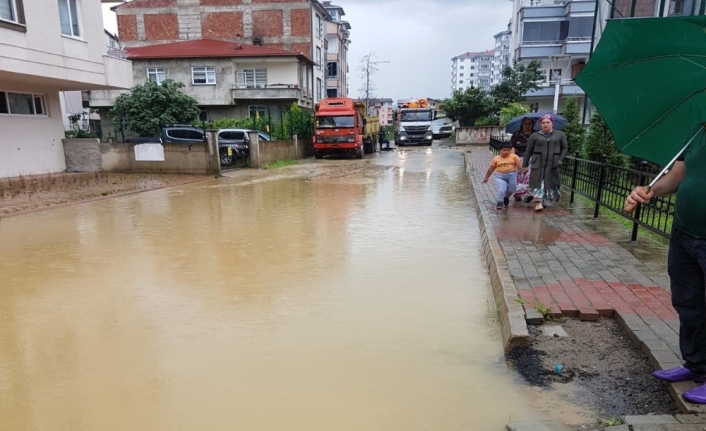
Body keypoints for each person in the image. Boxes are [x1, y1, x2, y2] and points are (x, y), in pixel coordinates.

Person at [625, 127, 706, 404]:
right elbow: (678, 176)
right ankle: (697, 365)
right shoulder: (697, 131)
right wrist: (650, 190)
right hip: (685, 233)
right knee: (688, 302)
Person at [523, 114, 568, 212]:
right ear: (540, 124)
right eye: (543, 123)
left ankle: (542, 200)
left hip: (553, 163)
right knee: (538, 182)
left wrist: (560, 159)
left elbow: (565, 148)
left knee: (549, 182)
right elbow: (528, 151)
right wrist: (525, 165)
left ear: (552, 123)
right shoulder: (534, 136)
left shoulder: (560, 135)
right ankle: (538, 202)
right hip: (537, 163)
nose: (545, 124)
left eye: (548, 122)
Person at [483, 141, 527, 210]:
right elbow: (491, 169)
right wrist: (486, 177)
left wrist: (523, 170)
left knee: (511, 189)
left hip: (512, 175)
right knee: (501, 189)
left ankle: (506, 197)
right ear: (499, 150)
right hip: (500, 176)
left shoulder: (514, 157)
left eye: (508, 150)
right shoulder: (496, 159)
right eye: (504, 150)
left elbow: (520, 165)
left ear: (511, 150)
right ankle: (499, 202)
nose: (506, 152)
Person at [510, 117, 536, 202]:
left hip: (532, 159)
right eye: (526, 123)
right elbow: (513, 147)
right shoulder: (516, 135)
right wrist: (512, 159)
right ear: (522, 124)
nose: (527, 125)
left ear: (533, 125)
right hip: (519, 158)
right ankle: (518, 193)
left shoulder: (536, 134)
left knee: (529, 175)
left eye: (530, 124)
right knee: (519, 176)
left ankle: (528, 194)